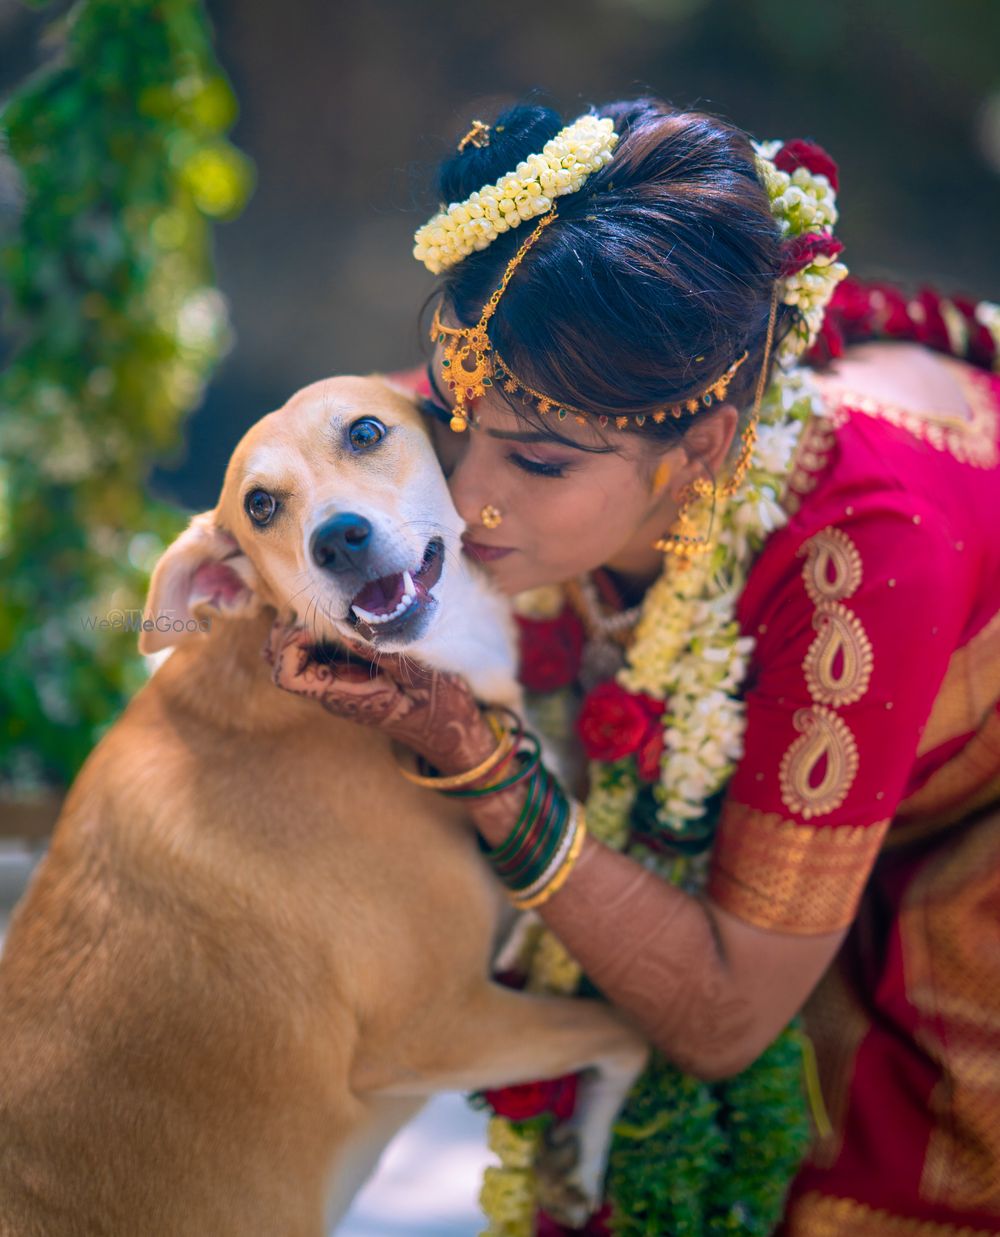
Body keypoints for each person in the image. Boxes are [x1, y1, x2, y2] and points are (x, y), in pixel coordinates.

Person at [264, 97, 1000, 1236]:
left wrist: (482, 767)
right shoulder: (575, 368)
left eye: (538, 462)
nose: (462, 498)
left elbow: (724, 1019)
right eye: (459, 420)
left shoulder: (861, 564)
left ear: (701, 451)